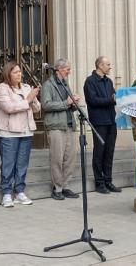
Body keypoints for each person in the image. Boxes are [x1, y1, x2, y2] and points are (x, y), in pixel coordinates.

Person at [0, 61, 41, 208]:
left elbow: (37, 108)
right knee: (8, 164)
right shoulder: (2, 88)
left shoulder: (26, 87)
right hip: (8, 133)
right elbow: (9, 107)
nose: (19, 74)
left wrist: (32, 99)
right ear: (8, 74)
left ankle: (19, 191)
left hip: (26, 131)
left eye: (20, 71)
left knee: (22, 164)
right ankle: (7, 193)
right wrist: (28, 99)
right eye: (15, 72)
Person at [41, 59, 80, 200]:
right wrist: (66, 103)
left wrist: (74, 103)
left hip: (70, 125)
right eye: (67, 69)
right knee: (57, 158)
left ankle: (65, 186)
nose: (69, 72)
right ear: (59, 69)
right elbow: (46, 105)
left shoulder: (65, 84)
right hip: (56, 126)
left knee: (70, 158)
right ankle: (57, 188)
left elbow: (69, 104)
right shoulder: (48, 85)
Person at [84, 56, 120, 194]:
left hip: (111, 120)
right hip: (98, 121)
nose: (110, 67)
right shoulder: (90, 81)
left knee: (109, 152)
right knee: (99, 152)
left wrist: (118, 98)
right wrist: (111, 100)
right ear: (100, 65)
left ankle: (108, 181)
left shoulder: (109, 81)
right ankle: (99, 183)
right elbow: (92, 101)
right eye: (108, 64)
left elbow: (114, 98)